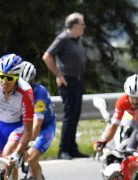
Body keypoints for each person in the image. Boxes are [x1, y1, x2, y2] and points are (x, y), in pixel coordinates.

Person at [42, 12, 88, 160]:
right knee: (69, 115)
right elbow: (47, 56)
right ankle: (63, 150)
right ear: (74, 25)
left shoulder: (76, 39)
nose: (84, 27)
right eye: (82, 24)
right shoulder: (63, 38)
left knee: (75, 115)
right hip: (67, 81)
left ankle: (72, 148)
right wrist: (58, 75)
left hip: (77, 80)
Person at [17, 61, 55, 180]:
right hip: (26, 125)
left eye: (29, 84)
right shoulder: (15, 91)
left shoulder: (40, 93)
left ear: (33, 81)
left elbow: (37, 124)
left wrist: (28, 143)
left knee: (31, 156)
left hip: (44, 127)